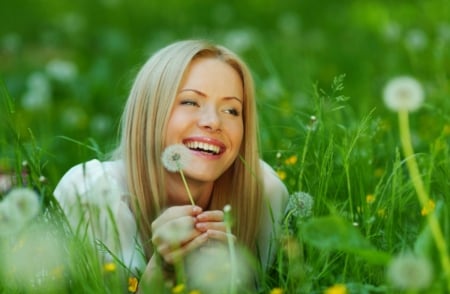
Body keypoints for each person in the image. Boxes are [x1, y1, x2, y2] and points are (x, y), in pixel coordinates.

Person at [53, 39, 288, 290]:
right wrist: (162, 270)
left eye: (231, 110)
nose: (213, 121)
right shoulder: (92, 193)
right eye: (190, 102)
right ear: (149, 112)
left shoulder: (264, 195)